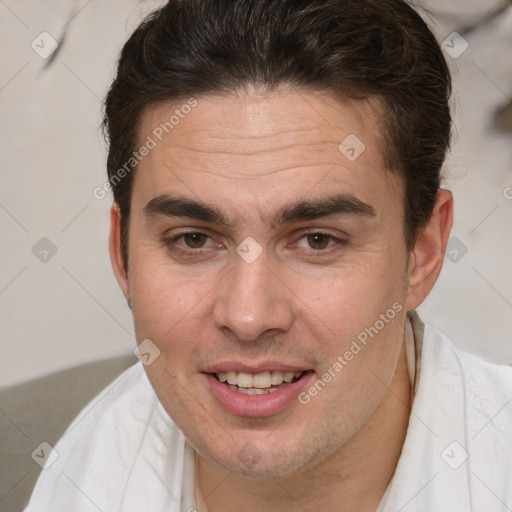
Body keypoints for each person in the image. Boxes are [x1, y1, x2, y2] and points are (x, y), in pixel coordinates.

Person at [24, 0, 512, 511]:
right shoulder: (74, 480)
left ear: (423, 252)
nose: (249, 316)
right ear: (122, 257)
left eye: (317, 240)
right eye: (193, 240)